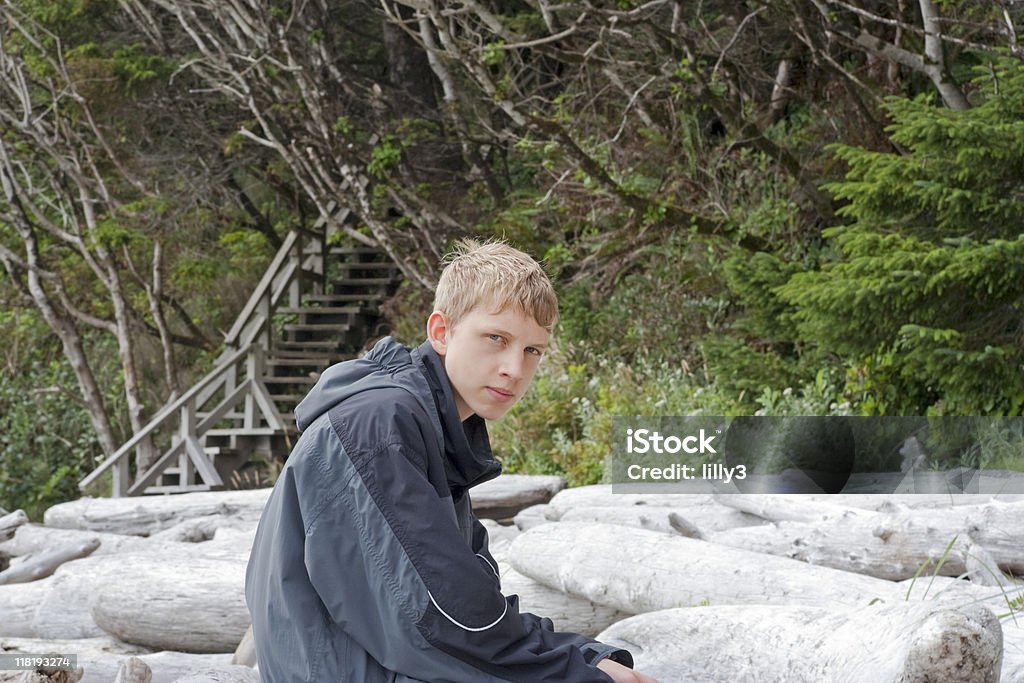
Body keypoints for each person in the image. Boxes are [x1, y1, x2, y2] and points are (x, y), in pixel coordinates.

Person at [245, 240, 658, 682]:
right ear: (441, 332)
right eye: (496, 339)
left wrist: (585, 655)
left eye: (532, 351)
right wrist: (576, 669)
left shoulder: (434, 431)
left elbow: (472, 603)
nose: (514, 369)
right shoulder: (378, 424)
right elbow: (438, 620)